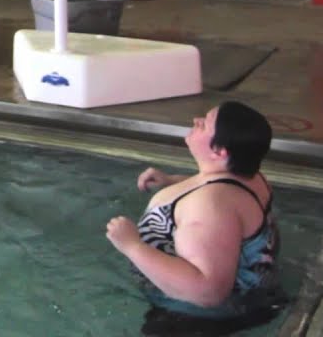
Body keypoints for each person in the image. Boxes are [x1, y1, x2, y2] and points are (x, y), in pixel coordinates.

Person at [106, 101, 285, 334]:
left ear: (219, 151)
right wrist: (173, 182)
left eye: (205, 124)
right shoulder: (252, 177)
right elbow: (220, 189)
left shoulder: (209, 207)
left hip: (193, 318)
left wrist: (132, 246)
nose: (195, 121)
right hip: (254, 296)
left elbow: (207, 292)